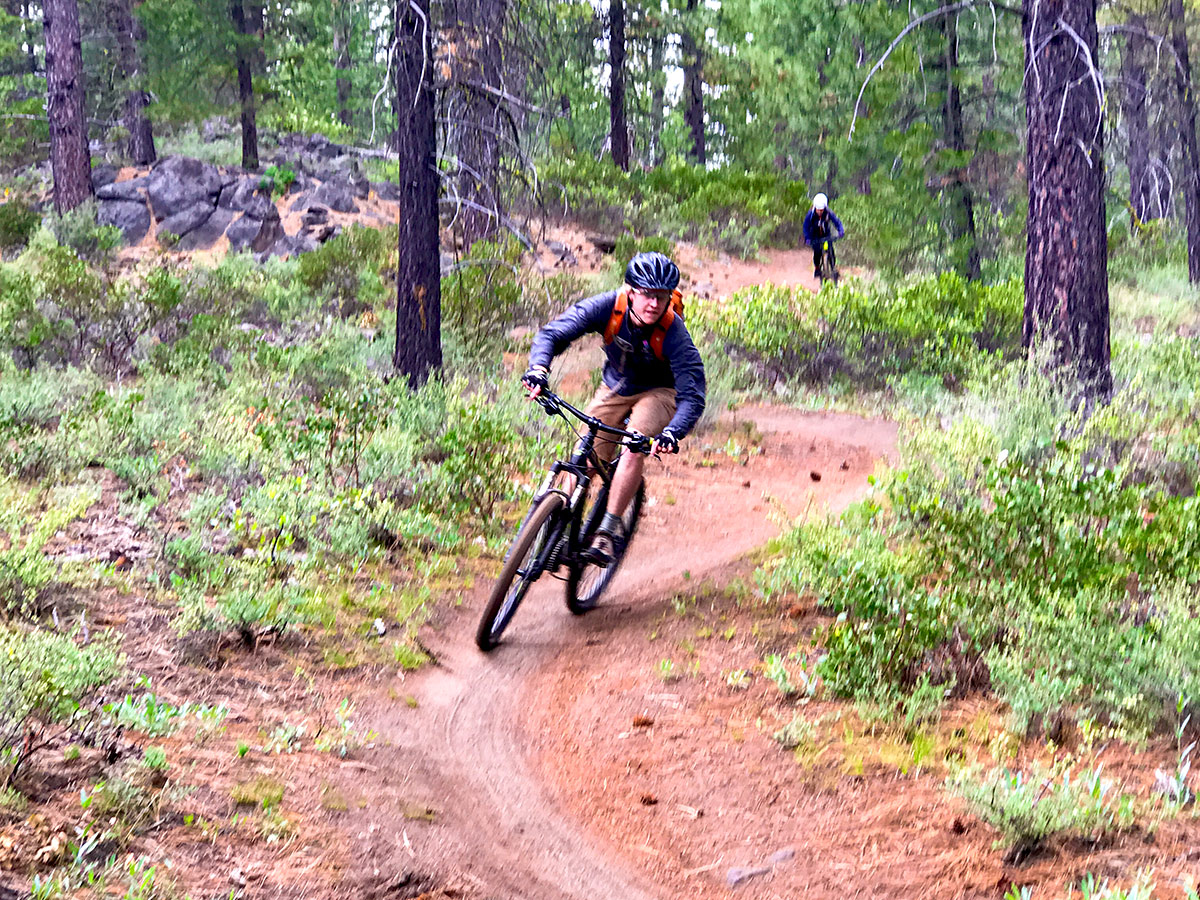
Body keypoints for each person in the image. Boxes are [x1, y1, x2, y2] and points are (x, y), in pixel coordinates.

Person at [522, 251, 706, 567]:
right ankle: (557, 523)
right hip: (617, 385)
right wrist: (539, 369)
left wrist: (672, 433)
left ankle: (607, 532)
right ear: (631, 291)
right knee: (586, 457)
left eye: (661, 297)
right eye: (647, 295)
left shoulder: (674, 332)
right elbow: (553, 334)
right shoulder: (609, 306)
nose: (654, 304)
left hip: (661, 393)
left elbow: (693, 395)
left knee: (634, 445)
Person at [802, 192, 845, 281]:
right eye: (818, 210)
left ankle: (833, 268)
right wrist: (807, 238)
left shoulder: (828, 213)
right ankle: (817, 268)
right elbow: (805, 227)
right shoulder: (810, 215)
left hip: (826, 235)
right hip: (815, 237)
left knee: (831, 251)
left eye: (822, 210)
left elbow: (837, 222)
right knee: (817, 253)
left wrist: (840, 231)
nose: (820, 212)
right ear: (815, 208)